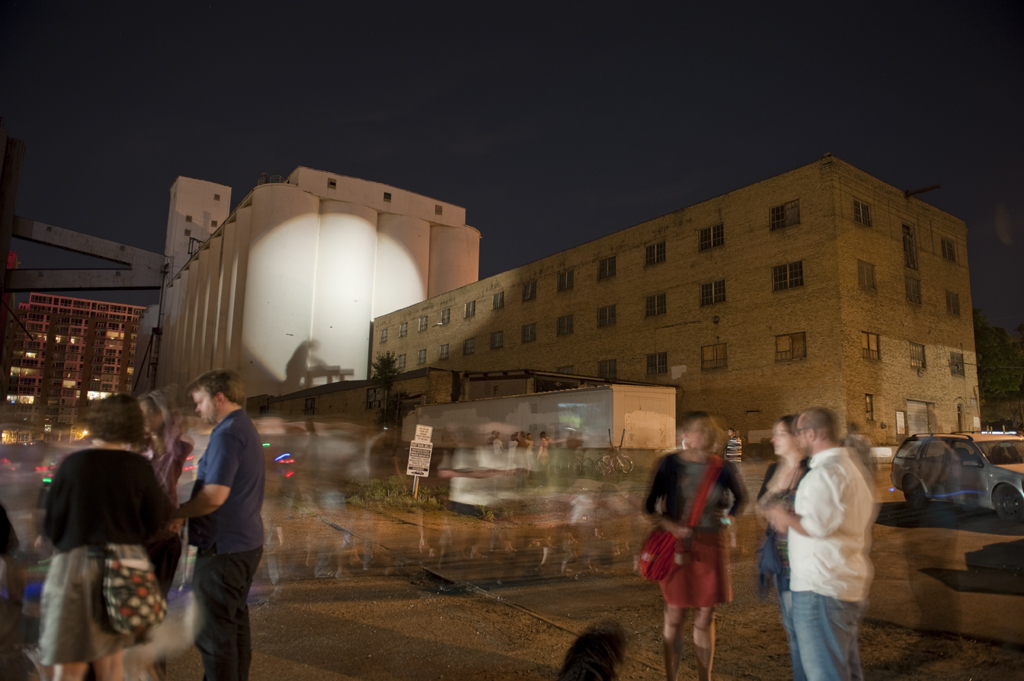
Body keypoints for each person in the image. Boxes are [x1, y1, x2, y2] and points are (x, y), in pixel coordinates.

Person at [38, 394, 165, 681]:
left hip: (75, 565)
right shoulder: (140, 467)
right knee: (112, 663)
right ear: (134, 425)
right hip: (126, 566)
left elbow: (52, 524)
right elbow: (155, 521)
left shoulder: (73, 464)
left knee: (70, 664)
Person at [765, 407, 876, 681]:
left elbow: (816, 526)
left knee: (824, 672)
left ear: (812, 434)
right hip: (842, 583)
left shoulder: (823, 474)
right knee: (845, 669)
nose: (797, 438)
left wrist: (784, 518)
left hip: (820, 587)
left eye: (799, 433)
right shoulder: (850, 469)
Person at [174, 370, 265, 681]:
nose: (197, 408)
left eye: (200, 401)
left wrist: (177, 513)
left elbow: (214, 496)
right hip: (243, 544)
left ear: (219, 398)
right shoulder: (244, 427)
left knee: (214, 638)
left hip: (222, 549)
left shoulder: (228, 434)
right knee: (233, 626)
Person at [644, 412, 747, 681]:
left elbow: (740, 498)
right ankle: (671, 677)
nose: (699, 435)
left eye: (705, 430)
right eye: (694, 430)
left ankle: (705, 677)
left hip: (711, 546)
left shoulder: (722, 467)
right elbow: (649, 506)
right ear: (684, 434)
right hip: (677, 547)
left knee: (705, 615)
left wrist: (728, 519)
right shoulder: (668, 464)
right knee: (675, 614)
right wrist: (671, 526)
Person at [756, 415, 810, 681]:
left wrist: (785, 516)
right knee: (794, 631)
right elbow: (760, 509)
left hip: (808, 567)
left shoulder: (811, 471)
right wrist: (775, 490)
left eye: (780, 433)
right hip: (782, 564)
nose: (772, 439)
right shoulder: (773, 470)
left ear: (797, 438)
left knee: (809, 635)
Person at [139, 390, 194, 597]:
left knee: (154, 600)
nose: (143, 420)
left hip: (163, 533)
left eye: (148, 414)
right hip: (138, 533)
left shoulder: (176, 449)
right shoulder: (136, 448)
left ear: (161, 415)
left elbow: (182, 432)